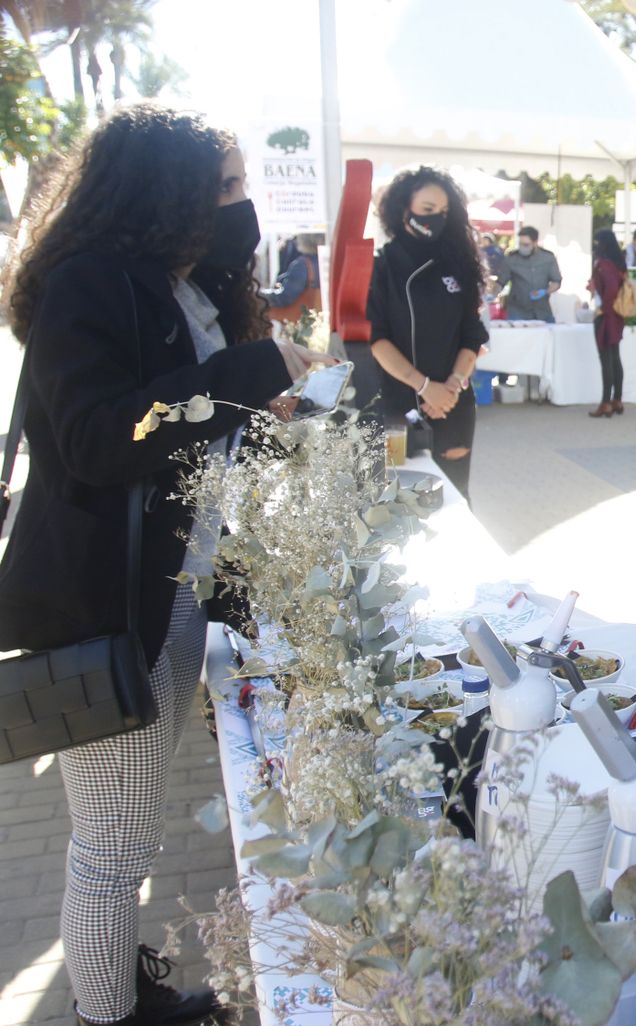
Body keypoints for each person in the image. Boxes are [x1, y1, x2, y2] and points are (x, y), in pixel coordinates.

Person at [0, 104, 332, 1026]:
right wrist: (244, 375)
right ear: (162, 192)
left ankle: (125, 984)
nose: (242, 202)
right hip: (108, 603)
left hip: (173, 590)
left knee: (128, 831)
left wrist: (257, 414)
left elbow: (183, 432)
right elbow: (104, 439)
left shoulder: (185, 284)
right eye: (223, 185)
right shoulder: (87, 285)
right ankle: (108, 1015)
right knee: (109, 846)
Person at [366, 167, 488, 499]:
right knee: (400, 500)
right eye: (428, 210)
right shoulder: (382, 266)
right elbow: (377, 339)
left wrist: (452, 386)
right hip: (398, 404)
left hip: (452, 406)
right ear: (404, 208)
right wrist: (423, 387)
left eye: (444, 213)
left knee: (454, 496)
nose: (436, 219)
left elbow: (473, 337)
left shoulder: (459, 264)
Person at [588, 229, 627, 417]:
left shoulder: (603, 264)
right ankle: (617, 399)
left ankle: (605, 402)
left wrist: (604, 306)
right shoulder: (619, 262)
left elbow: (610, 287)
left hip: (606, 315)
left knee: (606, 358)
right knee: (615, 357)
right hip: (618, 314)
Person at [501, 225, 562, 322]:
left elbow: (557, 282)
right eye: (520, 244)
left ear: (535, 243)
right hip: (517, 311)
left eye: (526, 245)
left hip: (542, 311)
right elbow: (501, 281)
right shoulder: (512, 258)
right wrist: (492, 293)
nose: (522, 248)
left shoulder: (548, 258)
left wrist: (545, 291)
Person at [263, 231, 322, 323]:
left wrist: (260, 295)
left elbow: (285, 298)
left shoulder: (302, 264)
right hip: (320, 320)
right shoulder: (326, 261)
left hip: (301, 322)